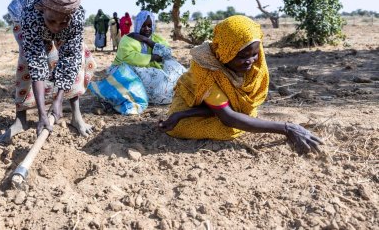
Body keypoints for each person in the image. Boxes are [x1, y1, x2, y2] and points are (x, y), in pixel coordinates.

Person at [158, 16, 322, 154]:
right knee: (185, 128)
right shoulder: (205, 67)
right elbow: (228, 118)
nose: (250, 61)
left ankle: (237, 116)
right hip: (192, 99)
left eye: (254, 53)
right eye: (242, 56)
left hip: (221, 107)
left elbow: (237, 106)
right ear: (226, 51)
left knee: (241, 118)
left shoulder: (255, 61)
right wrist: (287, 128)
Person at [0, 0, 96, 144]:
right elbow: (37, 64)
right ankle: (20, 120)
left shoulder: (76, 17)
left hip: (57, 11)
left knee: (76, 57)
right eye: (51, 21)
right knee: (28, 60)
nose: (56, 28)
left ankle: (76, 115)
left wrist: (58, 101)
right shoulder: (31, 13)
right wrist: (42, 113)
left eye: (62, 23)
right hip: (25, 3)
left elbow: (69, 60)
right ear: (42, 10)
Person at [111, 10, 186, 105]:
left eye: (149, 26)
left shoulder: (156, 39)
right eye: (143, 25)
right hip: (126, 70)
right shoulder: (127, 39)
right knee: (155, 76)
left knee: (176, 67)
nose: (147, 28)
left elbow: (167, 53)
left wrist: (146, 40)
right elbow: (129, 58)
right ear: (138, 24)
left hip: (149, 69)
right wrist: (152, 57)